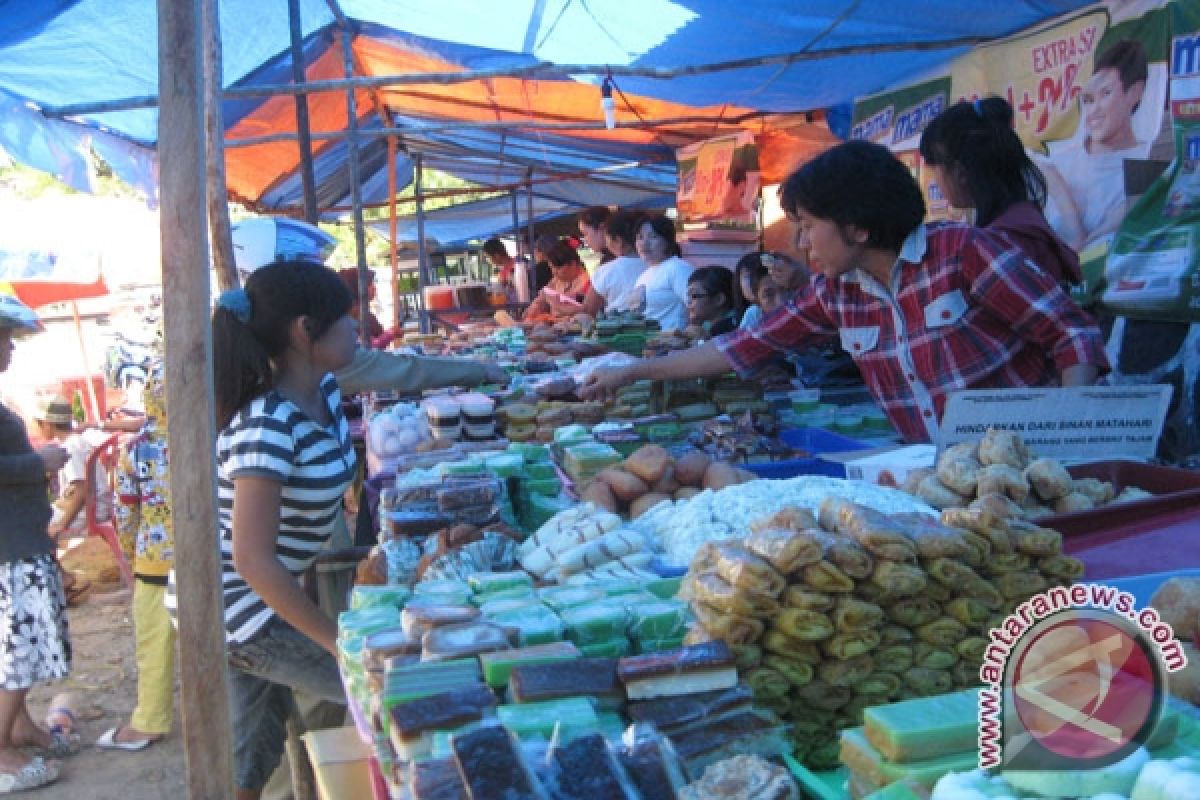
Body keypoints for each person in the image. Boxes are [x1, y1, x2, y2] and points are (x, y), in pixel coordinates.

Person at [582, 140, 1110, 443]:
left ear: (857, 227)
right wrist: (632, 370)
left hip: (1024, 467)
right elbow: (738, 349)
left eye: (809, 225)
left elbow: (1071, 333)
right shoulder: (837, 293)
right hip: (936, 476)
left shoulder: (965, 253)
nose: (802, 241)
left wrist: (1064, 437)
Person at [167, 260, 358, 800]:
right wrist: (337, 641)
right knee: (373, 687)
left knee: (252, 752)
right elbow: (252, 559)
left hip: (268, 597)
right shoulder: (267, 426)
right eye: (345, 320)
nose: (355, 331)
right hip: (235, 608)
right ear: (304, 330)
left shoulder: (326, 394)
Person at [0, 297, 75, 794]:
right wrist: (40, 461)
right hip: (9, 548)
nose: (8, 347)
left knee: (25, 647)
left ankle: (20, 727)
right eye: (2, 338)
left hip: (21, 540)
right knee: (16, 652)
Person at [920, 96, 1082, 287]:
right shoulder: (1019, 221)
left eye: (935, 168)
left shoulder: (1006, 241)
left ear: (959, 172)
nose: (935, 180)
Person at [98, 372, 173, 753]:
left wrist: (131, 557)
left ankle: (149, 722)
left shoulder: (137, 450)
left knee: (154, 646)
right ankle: (223, 716)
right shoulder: (217, 440)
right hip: (215, 564)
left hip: (154, 566)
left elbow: (124, 514)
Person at [1040, 39, 1151, 250]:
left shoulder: (1147, 168)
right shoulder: (1055, 165)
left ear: (1134, 92)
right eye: (1089, 100)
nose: (1094, 111)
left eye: (1106, 94)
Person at [631, 214, 694, 331]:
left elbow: (696, 307)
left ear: (668, 241)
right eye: (640, 237)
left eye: (653, 237)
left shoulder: (678, 269)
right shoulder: (643, 276)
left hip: (671, 345)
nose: (644, 243)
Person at [581, 210, 645, 317]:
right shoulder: (655, 265)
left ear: (618, 241)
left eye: (607, 237)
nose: (607, 242)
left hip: (619, 330)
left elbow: (588, 310)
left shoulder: (607, 270)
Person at [522, 240, 592, 323]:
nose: (554, 272)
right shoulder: (557, 280)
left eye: (558, 268)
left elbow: (582, 313)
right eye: (551, 268)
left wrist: (555, 307)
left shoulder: (588, 285)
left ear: (573, 264)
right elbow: (541, 299)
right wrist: (534, 308)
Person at [337, 267, 396, 348]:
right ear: (357, 287)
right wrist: (391, 334)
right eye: (370, 283)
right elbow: (364, 348)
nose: (374, 287)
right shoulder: (350, 315)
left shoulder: (364, 313)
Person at [685, 267, 739, 337]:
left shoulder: (730, 326)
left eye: (694, 296)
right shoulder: (707, 323)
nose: (689, 302)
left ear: (718, 299)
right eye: (688, 296)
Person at [482, 237, 530, 303]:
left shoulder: (520, 264)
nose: (488, 261)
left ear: (496, 255)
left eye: (488, 257)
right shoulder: (502, 273)